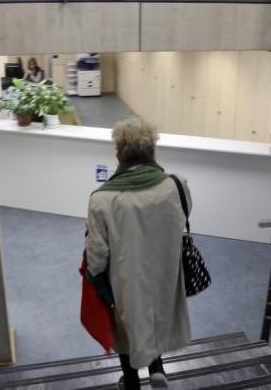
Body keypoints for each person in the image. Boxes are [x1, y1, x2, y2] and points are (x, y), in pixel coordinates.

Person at [85, 117, 192, 389]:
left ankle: (131, 380)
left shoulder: (101, 199)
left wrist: (95, 276)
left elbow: (96, 256)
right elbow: (183, 217)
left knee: (126, 323)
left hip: (125, 277)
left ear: (119, 155)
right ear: (152, 152)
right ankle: (158, 369)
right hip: (164, 270)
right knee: (155, 312)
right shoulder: (177, 185)